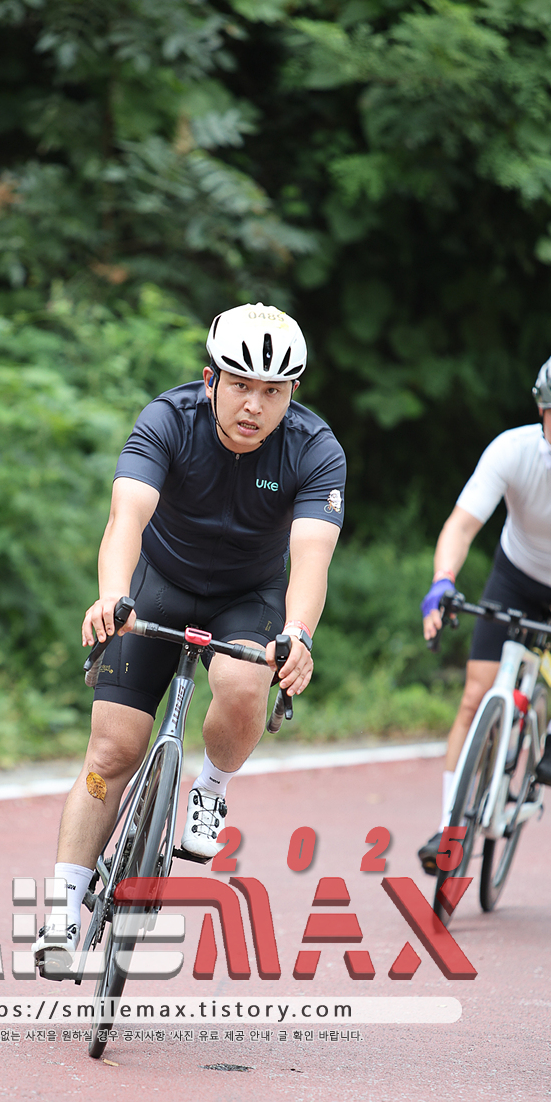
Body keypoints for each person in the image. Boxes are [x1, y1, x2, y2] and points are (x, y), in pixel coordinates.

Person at [34, 304, 347, 970]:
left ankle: (211, 786)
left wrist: (297, 634)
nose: (254, 405)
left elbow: (312, 557)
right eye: (240, 385)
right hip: (159, 583)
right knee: (111, 752)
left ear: (293, 394)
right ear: (211, 380)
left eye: (273, 391)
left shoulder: (315, 449)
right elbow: (126, 517)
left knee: (242, 680)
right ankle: (62, 911)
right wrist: (113, 595)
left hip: (249, 598)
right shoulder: (168, 420)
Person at [417, 348, 551, 876]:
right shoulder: (511, 450)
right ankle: (449, 827)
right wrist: (442, 582)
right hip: (517, 575)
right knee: (474, 696)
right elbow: (462, 525)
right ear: (541, 409)